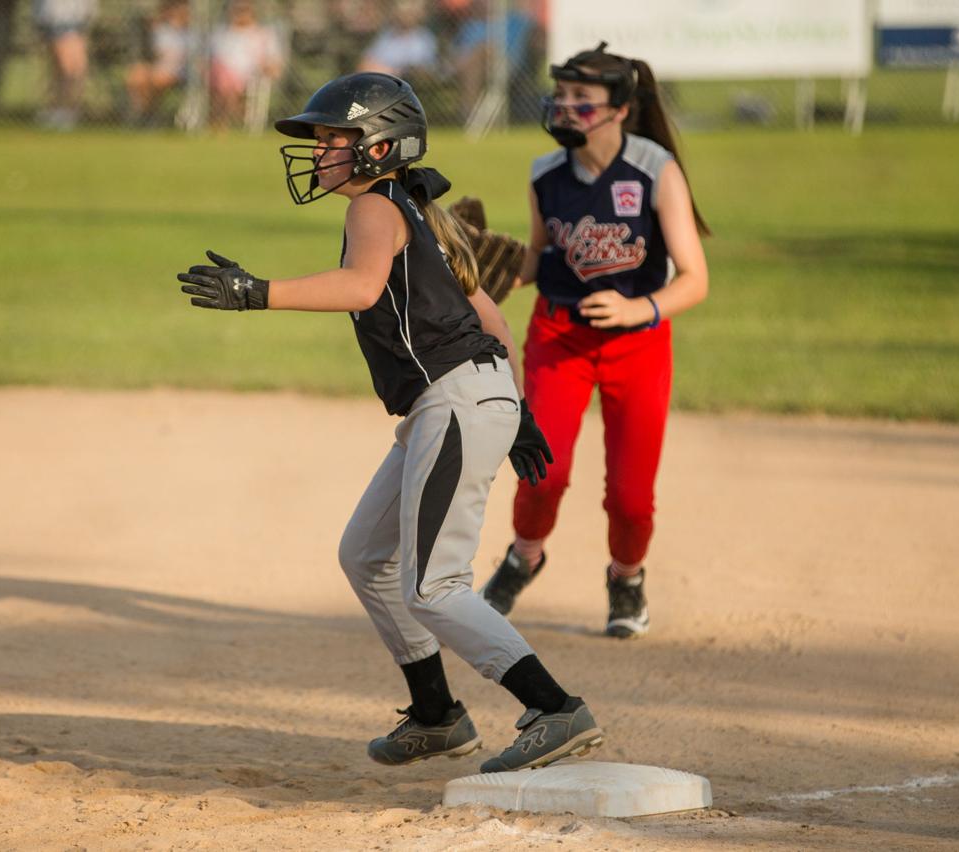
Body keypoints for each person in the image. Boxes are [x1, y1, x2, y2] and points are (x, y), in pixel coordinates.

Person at [176, 72, 603, 773]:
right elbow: (488, 312)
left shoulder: (375, 206)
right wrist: (518, 408)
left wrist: (258, 293)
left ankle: (555, 707)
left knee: (433, 584)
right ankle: (436, 713)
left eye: (332, 139)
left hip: (456, 399)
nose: (318, 153)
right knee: (366, 557)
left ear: (378, 146)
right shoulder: (414, 205)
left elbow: (362, 286)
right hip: (463, 398)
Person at [480, 41, 710, 638]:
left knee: (631, 495)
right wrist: (483, 264)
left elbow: (695, 279)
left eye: (582, 98)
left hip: (639, 343)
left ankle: (626, 578)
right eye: (562, 95)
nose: (565, 106)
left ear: (620, 108)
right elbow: (537, 257)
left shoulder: (654, 169)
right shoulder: (545, 173)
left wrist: (640, 308)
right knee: (542, 471)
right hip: (558, 335)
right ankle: (522, 558)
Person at [209, 0, 283, 130]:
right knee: (220, 75)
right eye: (237, 10)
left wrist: (267, 69)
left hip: (251, 75)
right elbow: (210, 57)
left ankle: (222, 121)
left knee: (225, 81)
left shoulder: (263, 34)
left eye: (244, 10)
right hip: (220, 74)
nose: (240, 14)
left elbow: (274, 63)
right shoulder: (222, 33)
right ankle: (227, 119)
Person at [124, 0, 194, 125]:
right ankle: (141, 115)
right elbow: (156, 55)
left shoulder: (192, 31)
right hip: (160, 68)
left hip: (181, 72)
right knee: (136, 75)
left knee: (156, 79)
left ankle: (148, 117)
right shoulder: (161, 30)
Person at [32, 0, 96, 130]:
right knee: (60, 66)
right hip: (54, 17)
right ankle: (59, 108)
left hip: (74, 18)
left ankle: (69, 109)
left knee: (73, 66)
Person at [358, 0, 438, 80]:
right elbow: (365, 65)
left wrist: (391, 71)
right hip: (382, 83)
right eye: (402, 12)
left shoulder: (424, 38)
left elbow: (423, 71)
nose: (405, 16)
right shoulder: (386, 36)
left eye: (409, 12)